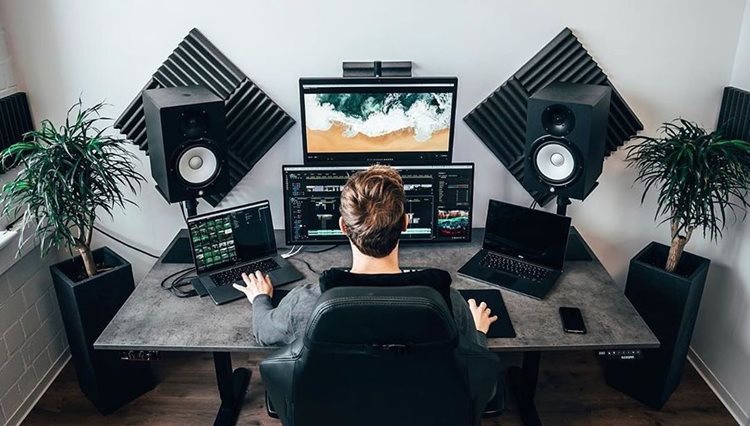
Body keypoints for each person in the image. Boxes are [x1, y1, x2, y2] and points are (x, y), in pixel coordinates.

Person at [234, 164, 497, 347]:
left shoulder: (305, 302)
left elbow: (263, 333)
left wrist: (259, 298)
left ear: (342, 226)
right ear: (406, 223)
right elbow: (475, 362)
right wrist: (477, 331)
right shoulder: (445, 301)